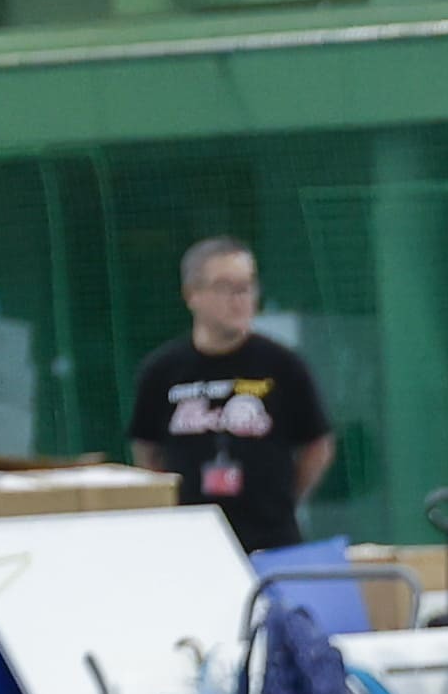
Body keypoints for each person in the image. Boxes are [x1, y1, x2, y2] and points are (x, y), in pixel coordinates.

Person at [125, 238, 338, 561]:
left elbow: (317, 445)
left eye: (247, 286)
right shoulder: (162, 371)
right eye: (225, 287)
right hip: (191, 546)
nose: (240, 299)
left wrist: (283, 498)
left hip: (273, 542)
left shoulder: (283, 365)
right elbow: (147, 449)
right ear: (191, 294)